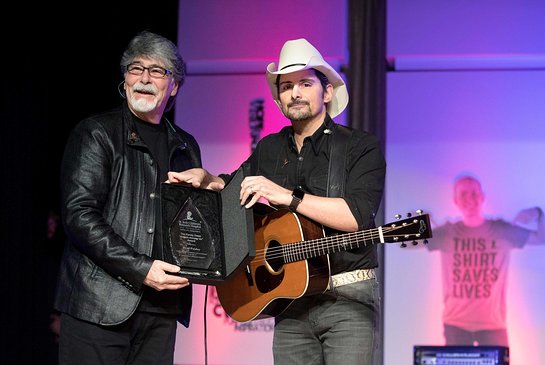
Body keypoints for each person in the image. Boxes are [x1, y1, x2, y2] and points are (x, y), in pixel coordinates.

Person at [168, 38, 387, 365]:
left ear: (326, 92)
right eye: (286, 86)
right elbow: (235, 188)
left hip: (348, 297)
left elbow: (356, 216)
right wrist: (210, 180)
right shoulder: (270, 148)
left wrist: (287, 197)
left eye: (305, 83)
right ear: (279, 98)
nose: (295, 93)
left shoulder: (359, 146)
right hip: (291, 299)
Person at [54, 30, 202, 365]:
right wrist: (142, 269)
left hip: (162, 309)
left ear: (174, 85)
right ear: (124, 79)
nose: (145, 78)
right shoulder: (96, 132)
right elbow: (79, 216)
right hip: (99, 306)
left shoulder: (186, 145)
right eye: (136, 68)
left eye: (157, 70)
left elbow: (191, 222)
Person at [425, 174, 545, 347]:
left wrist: (538, 213)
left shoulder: (500, 229)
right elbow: (405, 243)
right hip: (455, 324)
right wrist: (419, 225)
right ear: (456, 200)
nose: (470, 199)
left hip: (493, 326)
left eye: (474, 194)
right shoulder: (447, 232)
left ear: (482, 196)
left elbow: (541, 238)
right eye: (463, 195)